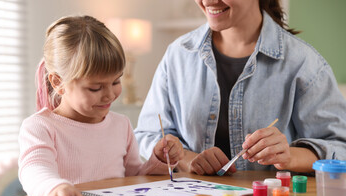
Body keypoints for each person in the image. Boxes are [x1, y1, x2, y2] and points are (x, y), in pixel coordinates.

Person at [135, 0, 346, 175]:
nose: (208, 1)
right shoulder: (177, 55)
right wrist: (187, 159)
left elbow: (341, 148)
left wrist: (289, 156)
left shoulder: (304, 63)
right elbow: (147, 134)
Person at [18, 15, 184, 196]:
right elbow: (34, 170)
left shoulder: (121, 124)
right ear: (58, 82)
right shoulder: (40, 127)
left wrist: (158, 160)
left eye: (116, 82)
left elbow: (133, 178)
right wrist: (54, 189)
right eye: (95, 88)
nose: (110, 95)